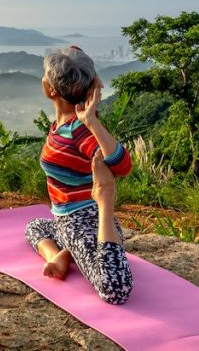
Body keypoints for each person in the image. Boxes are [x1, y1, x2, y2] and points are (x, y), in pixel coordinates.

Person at [24, 46, 134, 305]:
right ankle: (62, 254)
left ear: (50, 90)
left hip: (85, 222)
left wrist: (92, 121)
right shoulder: (61, 125)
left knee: (114, 289)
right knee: (34, 227)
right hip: (65, 220)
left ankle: (76, 249)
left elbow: (122, 166)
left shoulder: (78, 131)